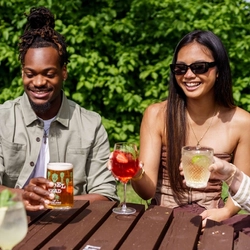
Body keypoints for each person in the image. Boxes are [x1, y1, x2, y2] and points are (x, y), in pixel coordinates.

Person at [131, 30, 250, 233]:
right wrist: (135, 172)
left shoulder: (242, 122)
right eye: (180, 68)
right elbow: (146, 192)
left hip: (211, 220)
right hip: (162, 219)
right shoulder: (156, 114)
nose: (188, 75)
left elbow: (243, 188)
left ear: (218, 70)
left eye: (199, 67)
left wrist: (224, 213)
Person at [0, 7, 118, 211]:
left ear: (63, 72)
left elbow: (106, 194)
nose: (38, 82)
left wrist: (54, 202)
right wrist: (24, 196)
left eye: (49, 74)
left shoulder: (91, 124)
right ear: (22, 73)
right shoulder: (3, 118)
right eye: (30, 74)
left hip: (72, 227)